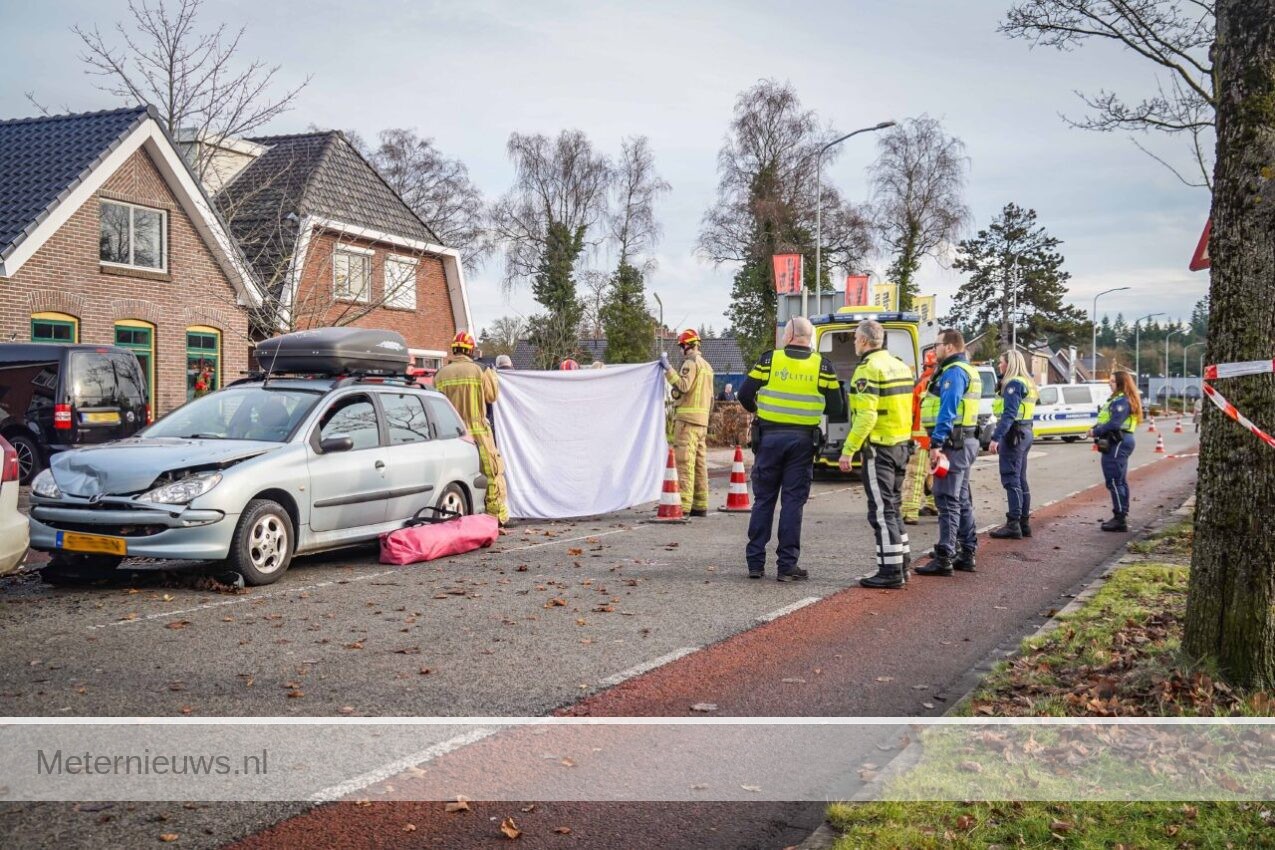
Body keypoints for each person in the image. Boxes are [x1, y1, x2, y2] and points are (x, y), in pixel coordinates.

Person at [738, 317, 844, 581]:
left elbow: (744, 394)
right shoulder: (823, 366)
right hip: (803, 441)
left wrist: (758, 411)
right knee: (793, 503)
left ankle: (755, 564)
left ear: (789, 336)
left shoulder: (769, 361)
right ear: (810, 338)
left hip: (769, 438)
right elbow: (836, 407)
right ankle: (786, 567)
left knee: (764, 500)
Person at [839, 320, 916, 589]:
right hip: (901, 444)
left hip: (879, 447)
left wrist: (848, 450)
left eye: (855, 339)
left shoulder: (868, 369)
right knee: (893, 507)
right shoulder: (899, 365)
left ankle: (890, 571)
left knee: (881, 511)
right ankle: (902, 563)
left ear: (863, 340)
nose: (854, 343)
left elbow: (866, 416)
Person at [915, 329, 982, 577]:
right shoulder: (966, 369)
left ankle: (945, 556)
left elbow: (948, 409)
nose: (935, 349)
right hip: (964, 441)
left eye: (938, 344)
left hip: (952, 443)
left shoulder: (953, 372)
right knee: (960, 499)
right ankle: (967, 552)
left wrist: (936, 442)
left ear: (950, 347)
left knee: (946, 499)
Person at [435, 331, 509, 525]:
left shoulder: (440, 374)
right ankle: (495, 519)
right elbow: (492, 396)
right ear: (470, 351)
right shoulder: (480, 370)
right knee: (491, 475)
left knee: (456, 477)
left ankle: (461, 519)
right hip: (478, 434)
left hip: (452, 436)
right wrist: (492, 376)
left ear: (454, 350)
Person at [661, 330, 715, 517]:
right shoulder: (707, 366)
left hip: (687, 422)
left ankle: (682, 505)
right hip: (702, 423)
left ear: (688, 345)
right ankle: (700, 504)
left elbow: (684, 386)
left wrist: (668, 369)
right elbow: (710, 397)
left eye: (681, 346)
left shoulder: (690, 363)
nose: (681, 350)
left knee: (684, 463)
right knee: (700, 464)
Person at [988, 349, 1039, 540]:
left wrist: (995, 437)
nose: (999, 365)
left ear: (1009, 364)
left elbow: (1009, 414)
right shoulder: (1028, 382)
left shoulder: (1013, 384)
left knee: (1011, 479)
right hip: (1025, 432)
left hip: (1013, 435)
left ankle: (1013, 524)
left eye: (1001, 362)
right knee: (1020, 479)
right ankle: (1023, 523)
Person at [1091, 369, 1141, 532]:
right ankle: (1121, 514)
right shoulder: (1120, 399)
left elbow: (1114, 423)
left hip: (1118, 441)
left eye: (1112, 381)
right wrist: (1096, 428)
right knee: (1119, 480)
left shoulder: (1121, 401)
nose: (1109, 384)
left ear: (1121, 383)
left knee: (1113, 480)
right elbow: (1107, 420)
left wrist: (1095, 432)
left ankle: (1120, 518)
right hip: (1119, 440)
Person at [902, 349, 939, 525]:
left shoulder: (921, 384)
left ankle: (909, 512)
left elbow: (910, 412)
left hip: (921, 439)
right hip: (940, 439)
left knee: (915, 475)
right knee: (935, 474)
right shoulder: (946, 382)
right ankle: (934, 505)